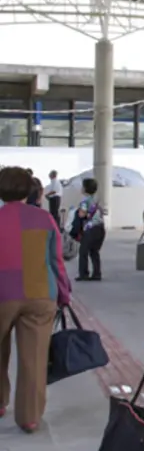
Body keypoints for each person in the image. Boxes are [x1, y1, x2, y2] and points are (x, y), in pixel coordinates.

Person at [0, 166, 72, 433]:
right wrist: (64, 293)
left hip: (1, 294)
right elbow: (56, 261)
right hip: (40, 293)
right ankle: (29, 417)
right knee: (34, 357)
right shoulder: (44, 219)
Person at [76, 178, 105, 281]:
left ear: (85, 189)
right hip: (100, 228)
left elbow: (81, 214)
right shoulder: (96, 201)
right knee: (94, 251)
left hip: (90, 229)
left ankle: (84, 274)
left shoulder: (85, 201)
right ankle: (97, 273)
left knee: (83, 251)